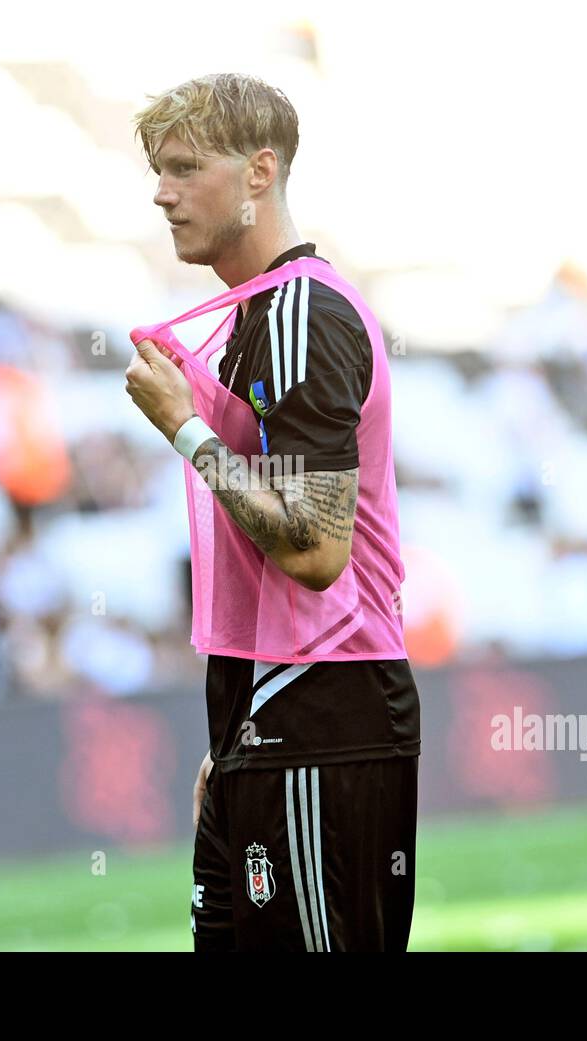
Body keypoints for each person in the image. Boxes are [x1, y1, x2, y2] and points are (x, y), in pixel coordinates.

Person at [125, 73, 420, 951]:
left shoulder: (302, 314)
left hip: (326, 715)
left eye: (184, 168)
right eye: (156, 169)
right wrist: (237, 732)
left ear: (260, 173)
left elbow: (315, 549)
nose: (161, 191)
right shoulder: (259, 315)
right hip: (270, 723)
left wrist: (185, 429)